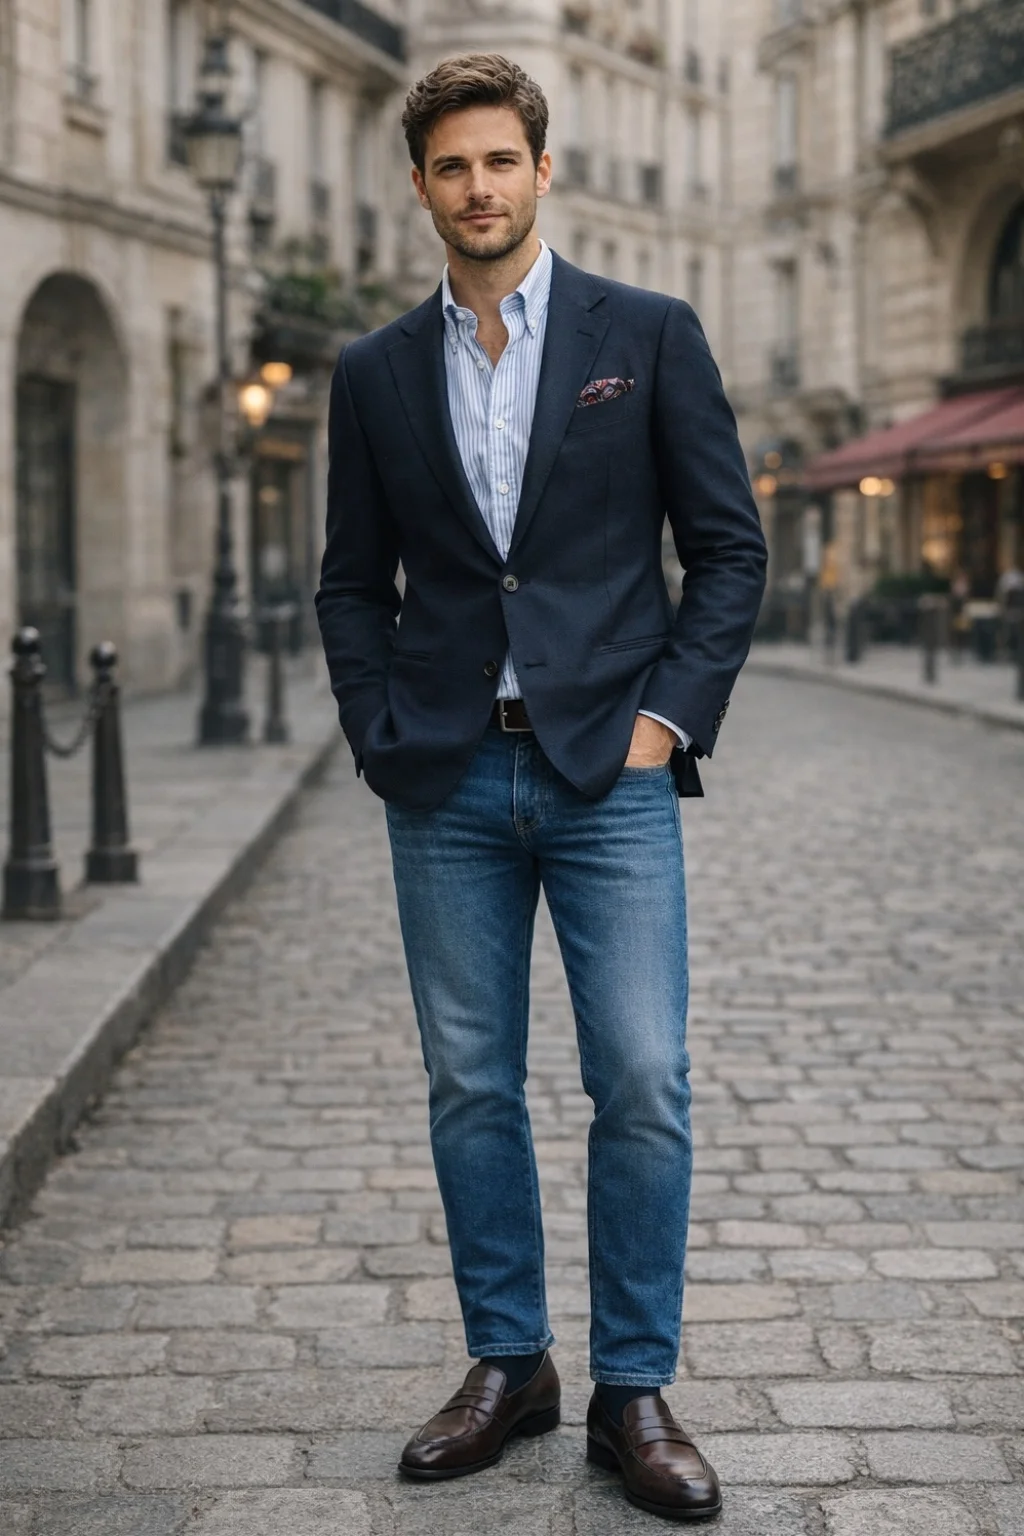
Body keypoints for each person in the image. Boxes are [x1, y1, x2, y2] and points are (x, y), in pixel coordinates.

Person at [315, 53, 767, 1522]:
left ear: (540, 170)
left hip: (607, 777)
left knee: (643, 1079)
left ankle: (634, 1388)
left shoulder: (645, 333)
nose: (479, 187)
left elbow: (729, 549)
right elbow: (346, 582)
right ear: (423, 186)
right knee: (470, 1086)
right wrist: (380, 730)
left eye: (500, 160)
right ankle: (511, 1367)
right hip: (443, 783)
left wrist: (669, 724)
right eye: (451, 166)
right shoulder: (377, 370)